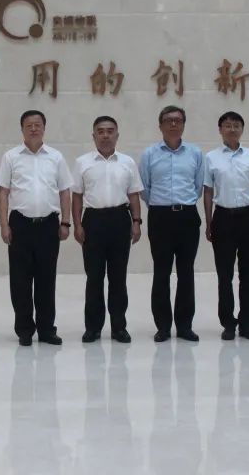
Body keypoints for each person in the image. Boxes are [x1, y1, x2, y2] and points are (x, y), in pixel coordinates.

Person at [0, 110, 73, 346]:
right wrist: (4, 225)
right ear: (22, 129)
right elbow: (3, 193)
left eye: (37, 124)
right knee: (20, 280)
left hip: (48, 225)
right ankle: (24, 330)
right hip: (20, 224)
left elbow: (65, 191)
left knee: (46, 279)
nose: (33, 129)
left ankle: (47, 329)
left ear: (44, 128)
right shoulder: (11, 157)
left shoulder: (56, 157)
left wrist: (65, 222)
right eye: (28, 125)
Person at [72, 116, 143, 344]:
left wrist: (136, 222)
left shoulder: (127, 162)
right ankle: (92, 328)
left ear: (117, 135)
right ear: (93, 136)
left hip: (120, 219)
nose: (105, 135)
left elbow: (133, 195)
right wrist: (77, 224)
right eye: (101, 131)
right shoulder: (82, 162)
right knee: (94, 277)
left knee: (118, 277)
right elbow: (77, 196)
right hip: (93, 221)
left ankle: (119, 327)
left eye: (110, 131)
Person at [139, 105, 203, 342]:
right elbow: (144, 188)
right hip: (160, 217)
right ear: (160, 125)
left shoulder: (195, 153)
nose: (173, 124)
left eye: (178, 120)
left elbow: (198, 187)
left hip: (187, 216)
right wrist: (161, 205)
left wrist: (182, 203)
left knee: (186, 272)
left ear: (184, 124)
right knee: (161, 272)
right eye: (168, 120)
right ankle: (163, 327)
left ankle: (185, 326)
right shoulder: (149, 154)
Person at [202, 111, 249, 341]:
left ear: (242, 129)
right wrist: (209, 221)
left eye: (236, 125)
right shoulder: (211, 158)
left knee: (247, 275)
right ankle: (228, 323)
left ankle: (247, 323)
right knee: (224, 275)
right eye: (227, 125)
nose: (232, 129)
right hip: (223, 218)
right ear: (220, 130)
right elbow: (208, 191)